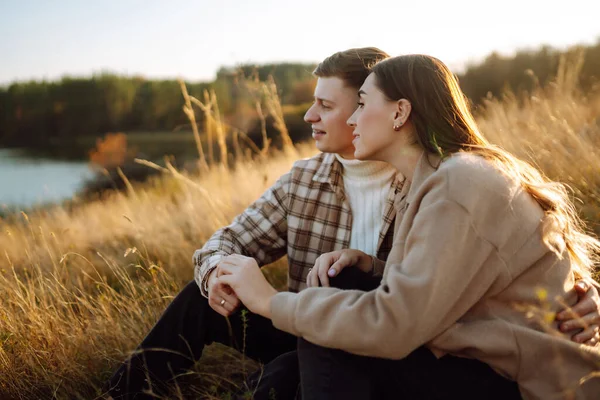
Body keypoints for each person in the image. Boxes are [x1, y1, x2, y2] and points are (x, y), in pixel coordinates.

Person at [105, 49, 600, 399]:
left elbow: (501, 265)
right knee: (329, 294)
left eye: (346, 104)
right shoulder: (316, 178)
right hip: (382, 333)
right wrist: (222, 276)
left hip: (470, 363)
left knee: (304, 352)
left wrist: (586, 293)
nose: (310, 115)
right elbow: (443, 279)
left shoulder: (445, 182)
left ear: (400, 112)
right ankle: (119, 393)